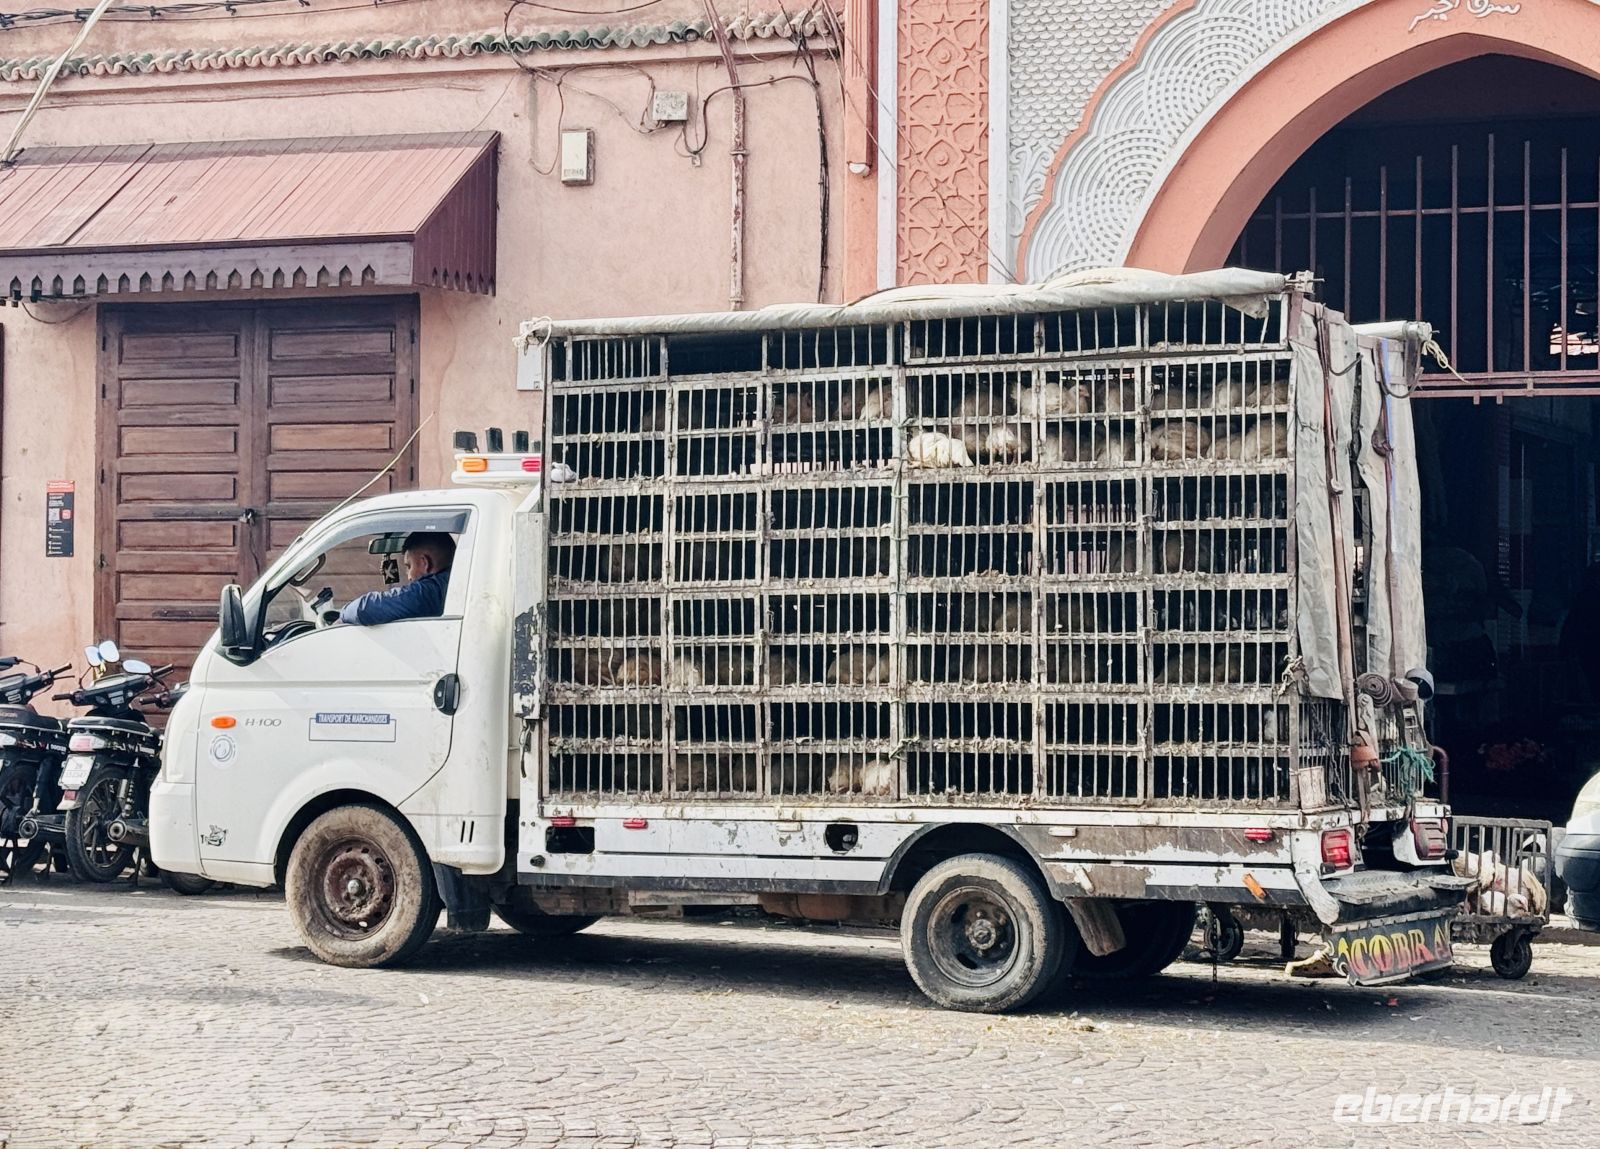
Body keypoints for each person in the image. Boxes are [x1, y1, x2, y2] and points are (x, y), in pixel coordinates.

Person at [339, 532, 455, 625]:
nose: (409, 576)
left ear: (424, 563)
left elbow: (365, 609)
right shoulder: (451, 583)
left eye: (409, 566)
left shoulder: (429, 593)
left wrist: (342, 615)